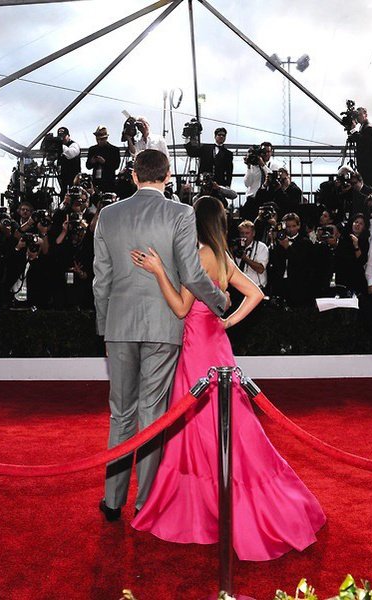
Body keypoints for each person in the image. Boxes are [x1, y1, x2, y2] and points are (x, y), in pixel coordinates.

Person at [130, 195, 326, 561]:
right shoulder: (221, 256)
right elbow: (256, 293)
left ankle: (201, 510)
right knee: (228, 427)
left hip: (197, 352)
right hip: (217, 346)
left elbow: (180, 306)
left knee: (197, 427)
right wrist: (227, 322)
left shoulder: (199, 256)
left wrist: (158, 270)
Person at [93, 149, 227, 522]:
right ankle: (146, 503)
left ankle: (113, 502)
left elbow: (100, 279)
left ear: (133, 176)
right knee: (153, 414)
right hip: (163, 325)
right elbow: (193, 275)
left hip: (119, 325)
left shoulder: (108, 215)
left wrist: (105, 326)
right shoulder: (180, 213)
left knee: (121, 415)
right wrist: (220, 301)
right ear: (168, 177)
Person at [348, 107, 372, 191]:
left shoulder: (369, 128)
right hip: (368, 167)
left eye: (359, 115)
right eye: (357, 115)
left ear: (365, 115)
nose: (358, 117)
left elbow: (363, 142)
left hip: (370, 169)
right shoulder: (363, 127)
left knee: (368, 191)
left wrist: (352, 130)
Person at [86, 126, 121, 193]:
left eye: (101, 139)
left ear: (106, 138)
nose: (99, 141)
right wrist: (92, 161)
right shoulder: (92, 149)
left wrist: (104, 162)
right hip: (96, 181)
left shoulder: (114, 150)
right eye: (97, 139)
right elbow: (88, 166)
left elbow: (116, 165)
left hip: (109, 181)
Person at [57, 126, 81, 198]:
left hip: (74, 177)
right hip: (64, 177)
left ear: (68, 136)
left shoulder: (74, 145)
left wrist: (61, 146)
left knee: (74, 195)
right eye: (60, 136)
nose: (62, 138)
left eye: (64, 136)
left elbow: (71, 154)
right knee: (63, 194)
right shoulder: (59, 146)